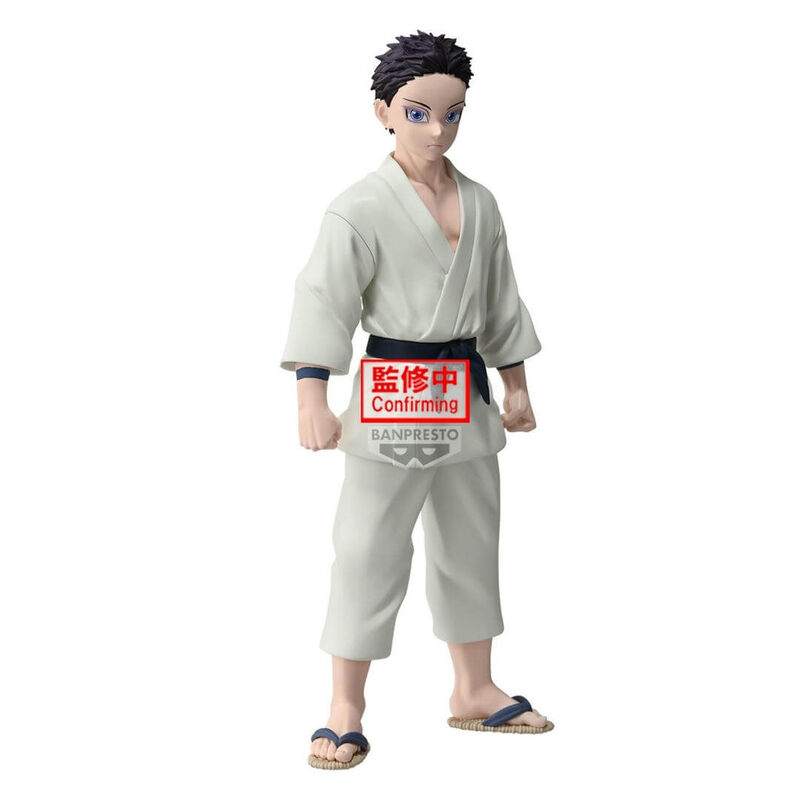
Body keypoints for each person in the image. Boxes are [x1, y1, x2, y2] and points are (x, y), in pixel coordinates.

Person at [280, 30, 553, 770]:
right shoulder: (359, 208)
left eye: (453, 113)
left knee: (472, 543)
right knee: (367, 548)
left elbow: (500, 299)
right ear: (384, 113)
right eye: (418, 112)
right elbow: (325, 297)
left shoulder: (482, 204)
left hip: (464, 396)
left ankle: (474, 687)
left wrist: (516, 384)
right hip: (392, 394)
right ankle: (345, 705)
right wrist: (312, 392)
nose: (437, 129)